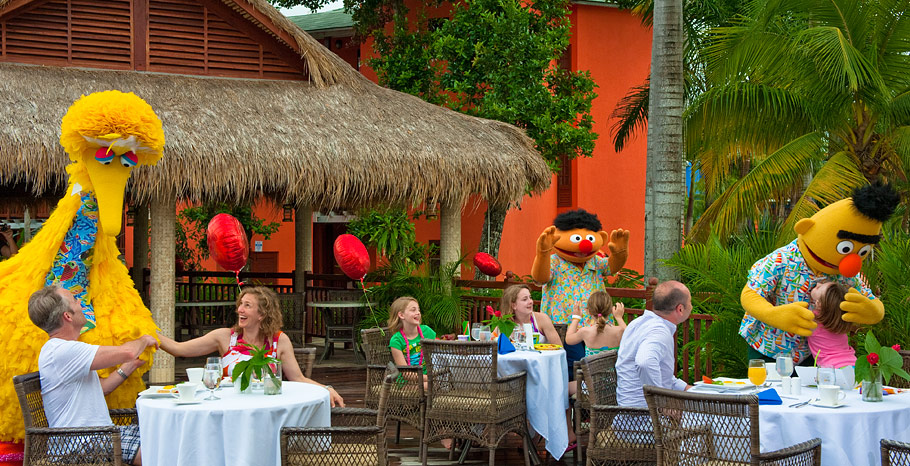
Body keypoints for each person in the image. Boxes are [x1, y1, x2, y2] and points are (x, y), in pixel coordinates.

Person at [28, 285, 158, 466]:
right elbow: (127, 351)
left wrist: (129, 366)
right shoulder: (63, 350)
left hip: (96, 436)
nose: (80, 302)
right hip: (80, 444)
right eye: (75, 300)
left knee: (162, 435)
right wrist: (143, 339)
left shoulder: (63, 349)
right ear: (68, 316)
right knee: (160, 452)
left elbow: (101, 388)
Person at [157, 286, 344, 407]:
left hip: (267, 408)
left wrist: (326, 387)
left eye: (247, 306)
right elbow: (179, 349)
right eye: (240, 305)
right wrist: (149, 334)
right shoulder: (225, 337)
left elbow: (298, 378)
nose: (240, 309)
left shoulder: (279, 340)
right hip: (228, 407)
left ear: (262, 314)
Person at [616, 280, 694, 407]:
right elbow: (645, 363)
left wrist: (687, 388)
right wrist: (661, 403)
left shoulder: (639, 323)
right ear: (680, 309)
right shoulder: (659, 331)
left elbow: (662, 374)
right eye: (690, 302)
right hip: (643, 418)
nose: (691, 306)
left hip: (630, 412)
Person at [808, 281, 856, 368]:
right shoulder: (840, 319)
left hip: (832, 367)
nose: (818, 284)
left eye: (818, 288)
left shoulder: (813, 320)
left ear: (819, 304)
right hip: (852, 363)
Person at [566, 290, 626, 357]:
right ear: (610, 311)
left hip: (591, 367)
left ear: (589, 311)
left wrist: (576, 318)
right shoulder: (619, 331)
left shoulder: (585, 331)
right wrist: (619, 318)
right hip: (614, 367)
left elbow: (568, 340)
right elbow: (631, 335)